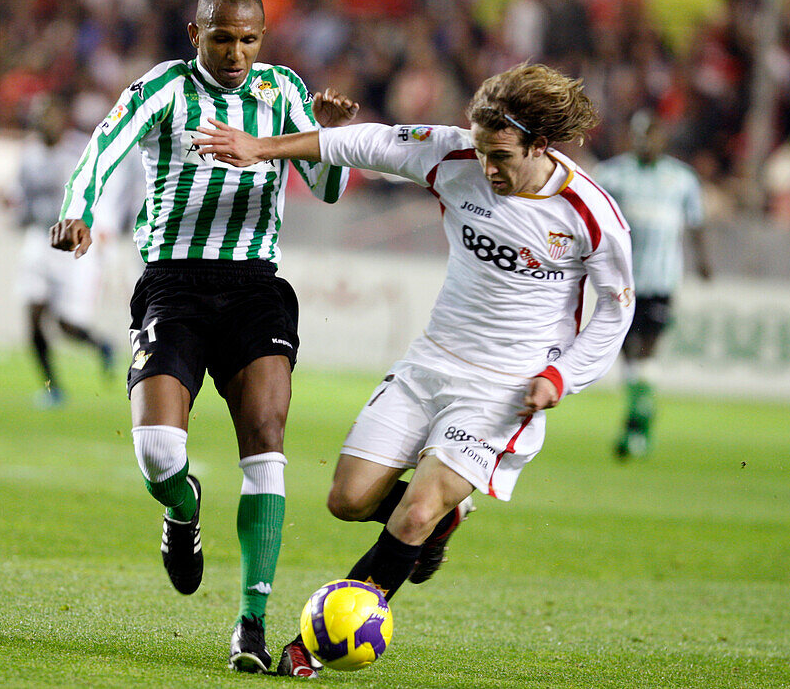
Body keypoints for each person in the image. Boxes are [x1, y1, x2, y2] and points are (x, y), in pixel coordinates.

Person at [195, 62, 635, 677]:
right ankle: (445, 517)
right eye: (481, 151)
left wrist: (560, 377)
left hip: (504, 392)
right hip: (430, 363)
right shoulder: (453, 155)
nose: (487, 168)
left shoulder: (591, 216)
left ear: (540, 143)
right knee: (347, 500)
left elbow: (615, 317)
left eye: (501, 155)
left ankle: (316, 647)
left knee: (414, 513)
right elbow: (366, 142)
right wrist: (261, 148)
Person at [49, 0, 358, 673]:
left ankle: (252, 620)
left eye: (249, 39)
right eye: (223, 38)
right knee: (159, 450)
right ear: (197, 33)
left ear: (263, 38)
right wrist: (80, 210)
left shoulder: (283, 90)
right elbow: (102, 147)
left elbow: (328, 189)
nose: (236, 53)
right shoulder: (162, 89)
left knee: (267, 442)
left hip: (254, 288)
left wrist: (329, 138)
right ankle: (183, 508)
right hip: (174, 285)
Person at [594, 110, 711, 458]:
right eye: (642, 135)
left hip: (661, 280)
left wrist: (703, 261)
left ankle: (637, 423)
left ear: (663, 138)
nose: (648, 142)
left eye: (654, 135)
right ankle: (641, 415)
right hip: (621, 280)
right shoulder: (612, 174)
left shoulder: (682, 179)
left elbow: (696, 222)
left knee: (646, 349)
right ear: (632, 137)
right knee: (629, 353)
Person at [12, 97, 114, 408]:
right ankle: (52, 388)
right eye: (40, 117)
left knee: (65, 325)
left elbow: (98, 192)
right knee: (32, 316)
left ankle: (100, 345)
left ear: (62, 119)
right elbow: (20, 198)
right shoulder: (28, 156)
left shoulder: (78, 152)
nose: (44, 123)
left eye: (50, 116)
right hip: (37, 241)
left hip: (67, 249)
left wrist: (97, 232)